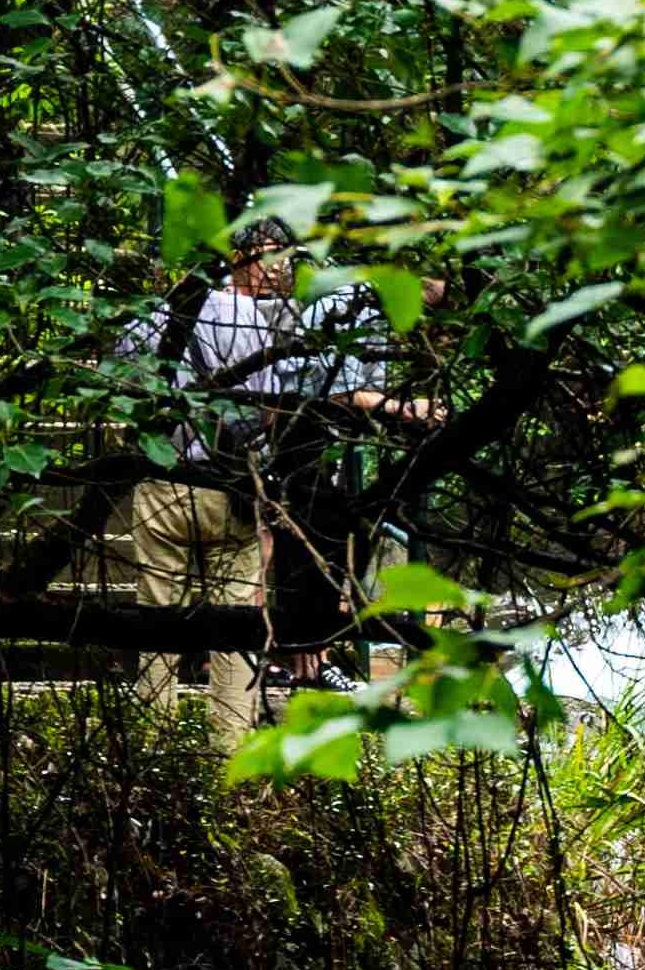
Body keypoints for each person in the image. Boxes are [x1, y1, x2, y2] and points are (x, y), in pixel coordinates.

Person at [131, 224, 431, 730]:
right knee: (238, 626)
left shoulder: (146, 319)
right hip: (228, 485)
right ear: (238, 258)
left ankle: (150, 741)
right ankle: (228, 743)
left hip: (161, 478)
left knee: (156, 614)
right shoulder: (254, 322)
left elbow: (123, 390)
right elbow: (273, 409)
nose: (281, 270)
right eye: (273, 258)